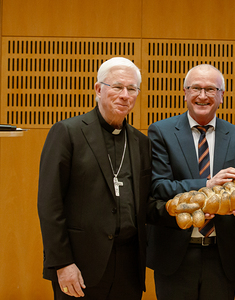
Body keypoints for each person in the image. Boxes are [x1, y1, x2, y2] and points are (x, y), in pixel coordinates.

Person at [38, 57, 154, 299]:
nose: (125, 95)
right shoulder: (68, 132)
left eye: (132, 89)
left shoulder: (140, 142)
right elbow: (50, 204)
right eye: (117, 87)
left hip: (128, 267)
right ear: (99, 89)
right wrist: (62, 263)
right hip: (79, 266)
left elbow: (146, 203)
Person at [146, 64, 235, 300]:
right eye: (196, 88)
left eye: (210, 89)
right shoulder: (161, 132)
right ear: (185, 92)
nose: (202, 96)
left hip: (222, 254)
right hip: (175, 254)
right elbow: (159, 186)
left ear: (222, 96)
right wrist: (207, 185)